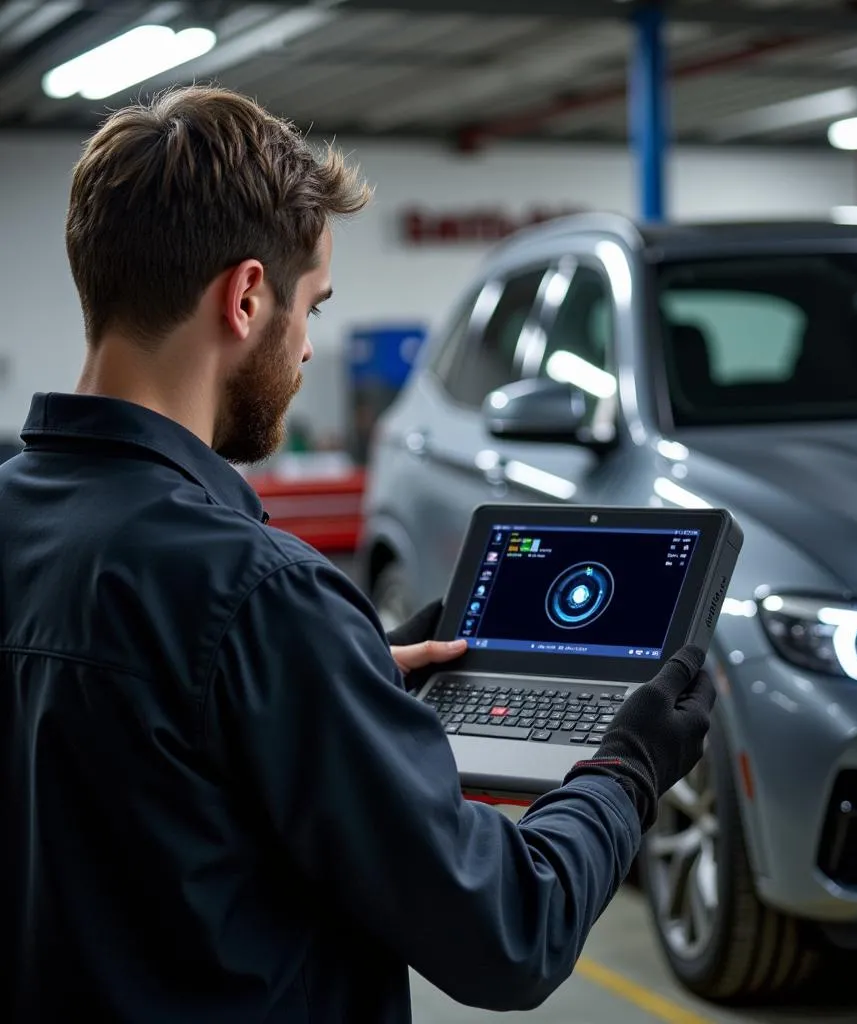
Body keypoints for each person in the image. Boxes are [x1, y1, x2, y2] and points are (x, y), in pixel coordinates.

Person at [0, 86, 716, 1024]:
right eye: (312, 308)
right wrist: (623, 774)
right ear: (248, 296)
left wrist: (343, 679)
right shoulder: (259, 596)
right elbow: (511, 930)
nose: (305, 349)